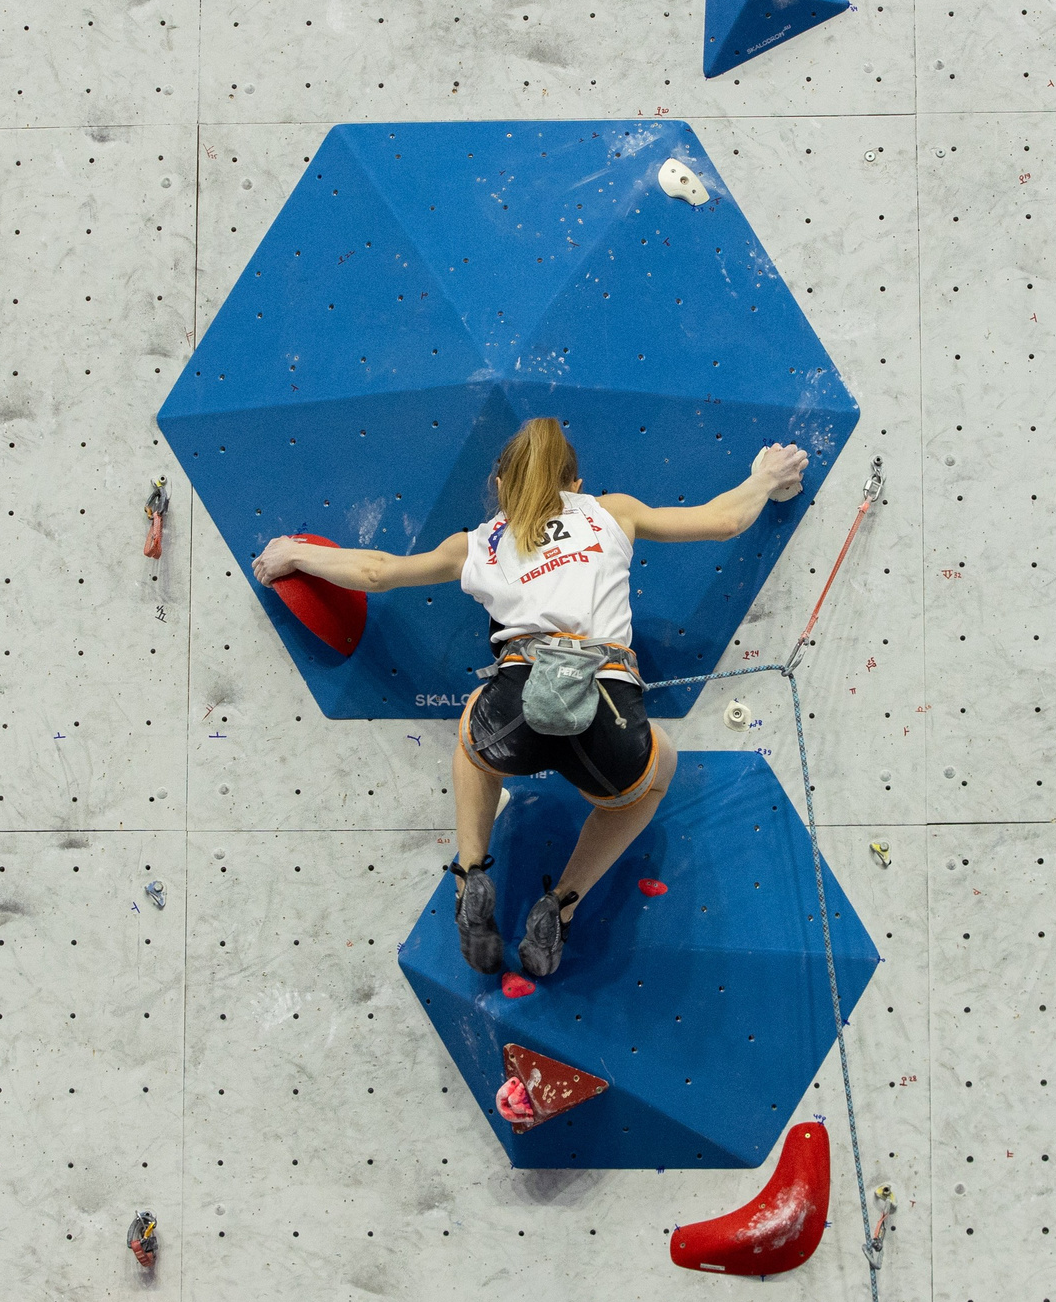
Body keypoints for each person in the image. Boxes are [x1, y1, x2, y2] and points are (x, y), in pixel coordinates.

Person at [253, 418, 808, 978]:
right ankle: (561, 904)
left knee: (475, 731)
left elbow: (378, 571)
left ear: (500, 484)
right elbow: (725, 520)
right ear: (576, 481)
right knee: (656, 767)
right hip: (605, 707)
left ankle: (471, 874)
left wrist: (297, 556)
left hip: (517, 704)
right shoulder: (609, 512)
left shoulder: (478, 542)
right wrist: (765, 477)